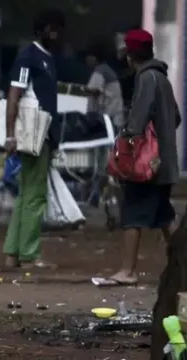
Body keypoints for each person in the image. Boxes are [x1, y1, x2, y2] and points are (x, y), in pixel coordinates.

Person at [98, 29, 180, 286]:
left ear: (131, 56)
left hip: (147, 166)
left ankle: (128, 270)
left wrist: (124, 143)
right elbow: (176, 117)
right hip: (164, 163)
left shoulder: (146, 79)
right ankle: (183, 264)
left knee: (132, 213)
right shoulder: (162, 79)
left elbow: (136, 124)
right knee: (164, 217)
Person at [3, 9, 65, 269]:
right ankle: (29, 254)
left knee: (26, 193)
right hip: (35, 133)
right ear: (42, 30)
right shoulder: (30, 58)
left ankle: (12, 253)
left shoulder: (45, 58)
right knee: (35, 195)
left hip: (37, 132)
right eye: (53, 29)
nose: (58, 35)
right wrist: (9, 135)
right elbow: (14, 96)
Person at [82, 41, 124, 128]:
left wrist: (79, 89)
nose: (86, 60)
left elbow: (93, 91)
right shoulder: (107, 69)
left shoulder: (100, 71)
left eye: (88, 57)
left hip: (109, 119)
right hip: (115, 116)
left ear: (94, 58)